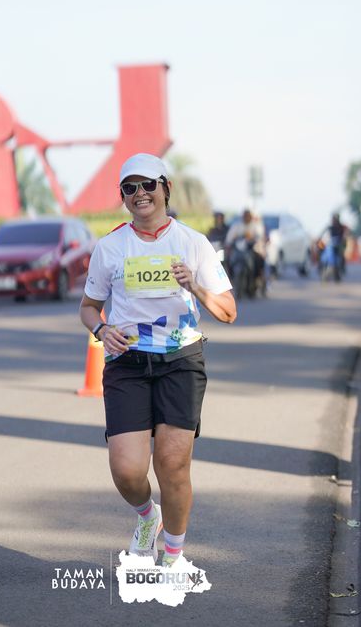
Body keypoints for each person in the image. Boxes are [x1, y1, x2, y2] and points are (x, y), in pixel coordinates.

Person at [79, 153, 236, 567]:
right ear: (123, 197)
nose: (140, 194)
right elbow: (88, 308)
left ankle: (173, 556)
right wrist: (101, 330)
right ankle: (148, 517)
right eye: (129, 188)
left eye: (148, 184)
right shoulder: (110, 247)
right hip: (127, 363)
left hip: (180, 360)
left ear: (166, 188)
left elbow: (228, 312)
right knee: (127, 471)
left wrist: (195, 286)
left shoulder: (193, 243)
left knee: (173, 464)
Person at [225, 208, 266, 285]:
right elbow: (229, 238)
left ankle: (258, 278)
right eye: (245, 216)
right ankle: (229, 278)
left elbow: (260, 237)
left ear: (251, 217)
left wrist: (253, 238)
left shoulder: (255, 226)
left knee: (259, 259)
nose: (246, 218)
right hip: (239, 251)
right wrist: (231, 242)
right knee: (228, 259)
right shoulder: (237, 226)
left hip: (252, 249)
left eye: (248, 216)